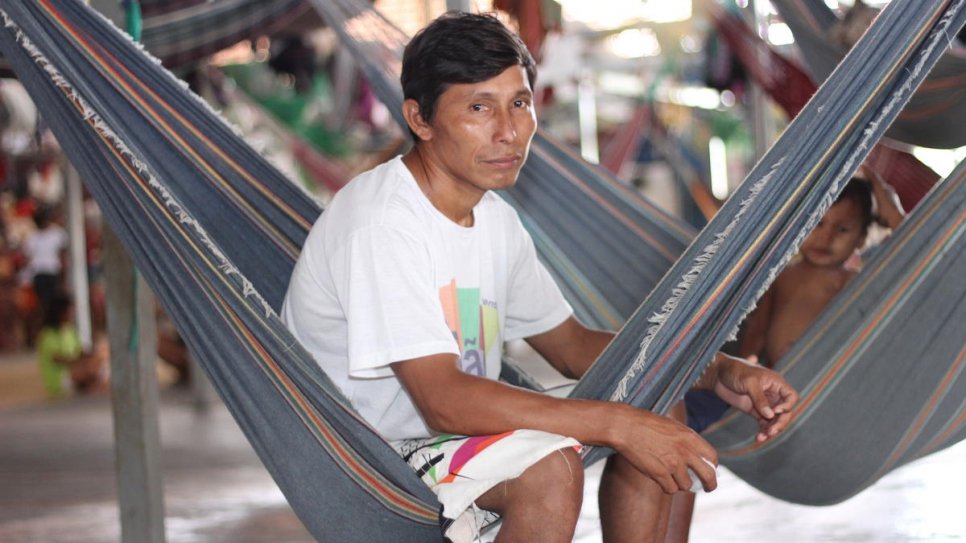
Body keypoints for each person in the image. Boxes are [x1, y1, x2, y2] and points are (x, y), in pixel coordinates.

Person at [282, 12, 798, 543]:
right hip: (371, 458)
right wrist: (617, 424)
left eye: (520, 104)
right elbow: (442, 400)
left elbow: (570, 344)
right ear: (420, 119)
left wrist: (718, 370)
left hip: (447, 441)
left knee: (657, 398)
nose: (508, 132)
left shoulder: (495, 219)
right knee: (548, 470)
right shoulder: (383, 223)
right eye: (479, 107)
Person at [739, 174, 905, 366]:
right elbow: (757, 329)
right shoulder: (780, 274)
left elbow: (913, 248)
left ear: (862, 237)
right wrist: (744, 367)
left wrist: (888, 205)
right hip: (775, 378)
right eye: (817, 223)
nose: (826, 238)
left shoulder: (851, 281)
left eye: (842, 229)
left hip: (823, 376)